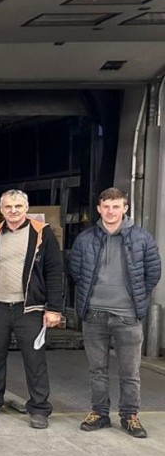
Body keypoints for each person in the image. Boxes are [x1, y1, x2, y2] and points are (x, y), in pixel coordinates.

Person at [68, 187, 160, 438]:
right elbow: (76, 271)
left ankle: (129, 416)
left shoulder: (142, 238)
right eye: (106, 206)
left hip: (127, 316)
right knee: (97, 370)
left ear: (125, 208)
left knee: (130, 372)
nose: (111, 211)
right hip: (94, 315)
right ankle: (99, 413)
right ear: (99, 208)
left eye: (116, 206)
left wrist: (133, 297)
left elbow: (153, 273)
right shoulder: (85, 239)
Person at [0, 189, 64, 429]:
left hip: (29, 309)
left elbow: (54, 272)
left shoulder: (42, 234)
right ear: (1, 209)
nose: (13, 211)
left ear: (26, 208)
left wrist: (54, 308)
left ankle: (39, 409)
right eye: (8, 207)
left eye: (18, 206)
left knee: (34, 360)